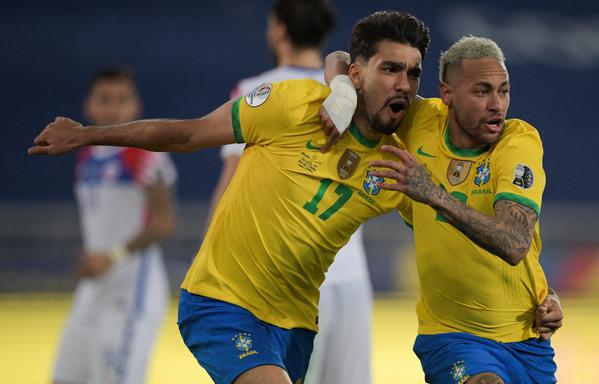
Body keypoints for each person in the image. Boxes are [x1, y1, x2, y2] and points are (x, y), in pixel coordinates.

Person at [31, 11, 429, 384]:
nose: (403, 84)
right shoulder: (291, 104)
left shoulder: (400, 163)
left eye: (413, 74)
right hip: (222, 302)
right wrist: (87, 134)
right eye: (391, 69)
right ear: (358, 75)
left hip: (296, 323)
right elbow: (189, 134)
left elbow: (445, 228)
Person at [323, 36, 561, 383]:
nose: (497, 104)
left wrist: (432, 193)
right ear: (447, 94)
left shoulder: (518, 142)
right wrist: (343, 92)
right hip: (451, 336)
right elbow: (341, 59)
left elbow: (514, 243)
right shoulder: (419, 120)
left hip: (527, 340)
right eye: (481, 92)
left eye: (503, 90)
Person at [209, 1, 373, 383]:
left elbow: (230, 187)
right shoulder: (353, 92)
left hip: (287, 282)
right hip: (350, 277)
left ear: (279, 30)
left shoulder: (255, 90)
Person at [51, 67, 177, 384]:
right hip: (94, 288)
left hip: (131, 288)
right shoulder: (87, 156)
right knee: (65, 376)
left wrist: (114, 255)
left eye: (122, 100)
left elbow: (163, 222)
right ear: (88, 106)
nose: (113, 108)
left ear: (136, 106)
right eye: (105, 99)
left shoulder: (144, 154)